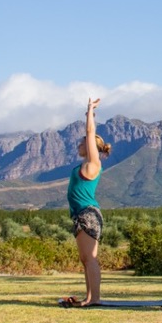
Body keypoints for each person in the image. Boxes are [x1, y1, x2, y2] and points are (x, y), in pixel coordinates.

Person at [61, 97, 111, 307]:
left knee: (90, 258)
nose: (79, 145)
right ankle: (89, 297)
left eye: (82, 143)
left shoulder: (93, 163)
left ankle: (95, 298)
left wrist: (89, 111)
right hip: (81, 214)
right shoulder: (85, 164)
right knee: (85, 259)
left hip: (87, 214)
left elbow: (90, 133)